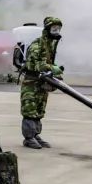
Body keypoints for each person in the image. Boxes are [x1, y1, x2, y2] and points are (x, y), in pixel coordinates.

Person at [19, 16, 62, 149]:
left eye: (58, 28)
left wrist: (56, 71)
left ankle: (35, 134)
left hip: (41, 84)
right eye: (54, 28)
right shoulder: (37, 45)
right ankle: (28, 138)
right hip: (31, 84)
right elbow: (33, 64)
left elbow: (48, 62)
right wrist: (50, 68)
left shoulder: (50, 45)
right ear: (47, 29)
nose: (56, 31)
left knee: (39, 110)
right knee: (30, 110)